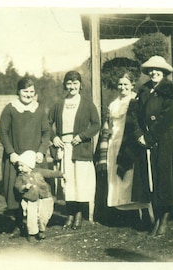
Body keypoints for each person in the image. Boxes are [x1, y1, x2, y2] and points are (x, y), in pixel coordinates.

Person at [122, 56, 173, 236]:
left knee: (165, 180)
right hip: (146, 140)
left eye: (158, 69)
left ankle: (164, 220)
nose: (154, 72)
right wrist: (139, 136)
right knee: (151, 180)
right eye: (151, 69)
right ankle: (156, 218)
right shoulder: (143, 90)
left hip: (166, 139)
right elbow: (134, 116)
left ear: (165, 72)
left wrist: (150, 137)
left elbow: (167, 118)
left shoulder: (170, 90)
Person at [0, 77, 50, 238]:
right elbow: (3, 132)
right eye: (25, 91)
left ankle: (38, 225)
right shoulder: (10, 109)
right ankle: (18, 223)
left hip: (35, 158)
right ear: (18, 91)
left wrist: (41, 151)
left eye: (31, 92)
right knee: (16, 190)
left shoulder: (40, 109)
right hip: (15, 158)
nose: (28, 95)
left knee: (36, 189)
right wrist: (11, 153)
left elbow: (46, 132)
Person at [48, 70, 100, 230]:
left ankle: (79, 215)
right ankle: (70, 213)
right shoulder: (58, 104)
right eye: (69, 83)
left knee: (81, 182)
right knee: (68, 182)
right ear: (65, 85)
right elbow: (46, 123)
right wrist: (54, 137)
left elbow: (96, 124)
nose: (72, 87)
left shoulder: (87, 103)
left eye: (75, 83)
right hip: (65, 148)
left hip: (80, 148)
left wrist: (83, 136)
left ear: (80, 85)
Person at [104, 72, 152, 229]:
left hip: (130, 142)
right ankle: (126, 216)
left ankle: (142, 215)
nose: (122, 87)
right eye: (120, 84)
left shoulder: (135, 101)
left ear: (132, 85)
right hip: (116, 142)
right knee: (118, 178)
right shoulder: (114, 104)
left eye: (126, 84)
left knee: (131, 178)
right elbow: (110, 124)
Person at [14, 150, 67, 242]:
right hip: (31, 199)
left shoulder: (38, 171)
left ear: (29, 164)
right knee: (32, 216)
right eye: (19, 165)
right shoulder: (21, 177)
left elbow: (50, 173)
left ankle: (41, 230)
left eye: (22, 165)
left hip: (44, 197)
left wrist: (61, 174)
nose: (19, 168)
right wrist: (24, 187)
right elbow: (17, 186)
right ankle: (32, 233)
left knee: (44, 215)